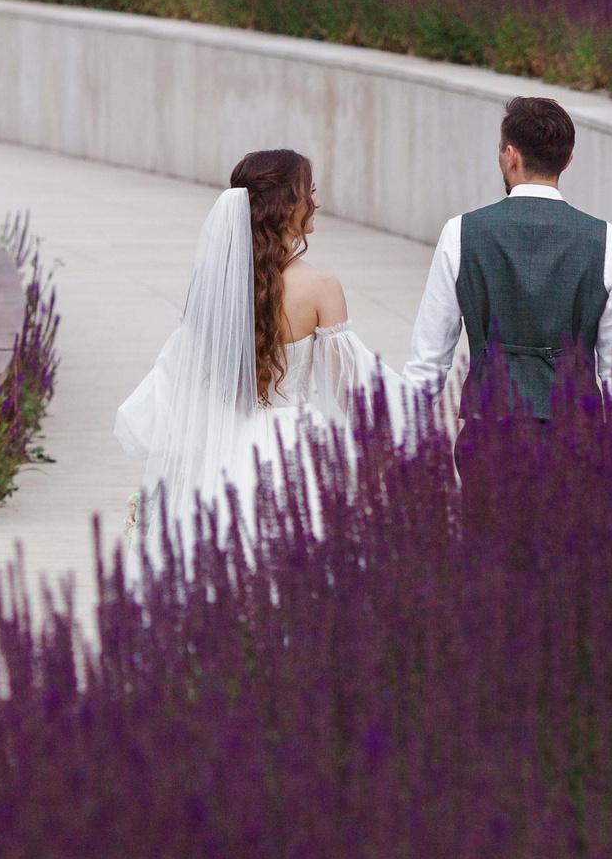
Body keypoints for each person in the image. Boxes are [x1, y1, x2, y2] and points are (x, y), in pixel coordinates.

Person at [115, 149, 412, 563]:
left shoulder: (212, 289)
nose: (317, 202)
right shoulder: (321, 288)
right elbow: (352, 392)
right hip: (294, 450)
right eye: (310, 192)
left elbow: (178, 379)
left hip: (222, 449)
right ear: (287, 205)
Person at [404, 96, 612, 422]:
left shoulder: (460, 233)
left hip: (487, 434)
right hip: (577, 438)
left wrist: (402, 434)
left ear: (511, 156)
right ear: (568, 160)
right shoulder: (606, 241)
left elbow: (428, 361)